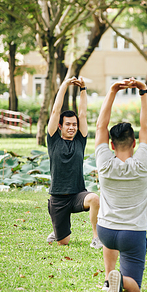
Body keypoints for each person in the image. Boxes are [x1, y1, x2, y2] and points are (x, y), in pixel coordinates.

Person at [94, 78, 147, 292]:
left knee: (110, 240)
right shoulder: (142, 163)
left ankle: (108, 279)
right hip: (133, 233)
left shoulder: (104, 163)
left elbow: (100, 127)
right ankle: (119, 280)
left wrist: (112, 91)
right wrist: (143, 91)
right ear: (134, 143)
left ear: (111, 145)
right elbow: (146, 126)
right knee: (135, 288)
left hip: (105, 231)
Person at [46, 77, 101, 249]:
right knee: (64, 242)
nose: (72, 127)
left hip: (77, 195)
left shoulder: (80, 141)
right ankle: (58, 230)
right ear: (60, 126)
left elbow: (83, 113)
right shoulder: (53, 140)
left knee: (94, 199)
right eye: (68, 124)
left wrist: (83, 88)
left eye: (74, 124)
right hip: (58, 198)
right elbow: (55, 111)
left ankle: (97, 238)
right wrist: (64, 85)